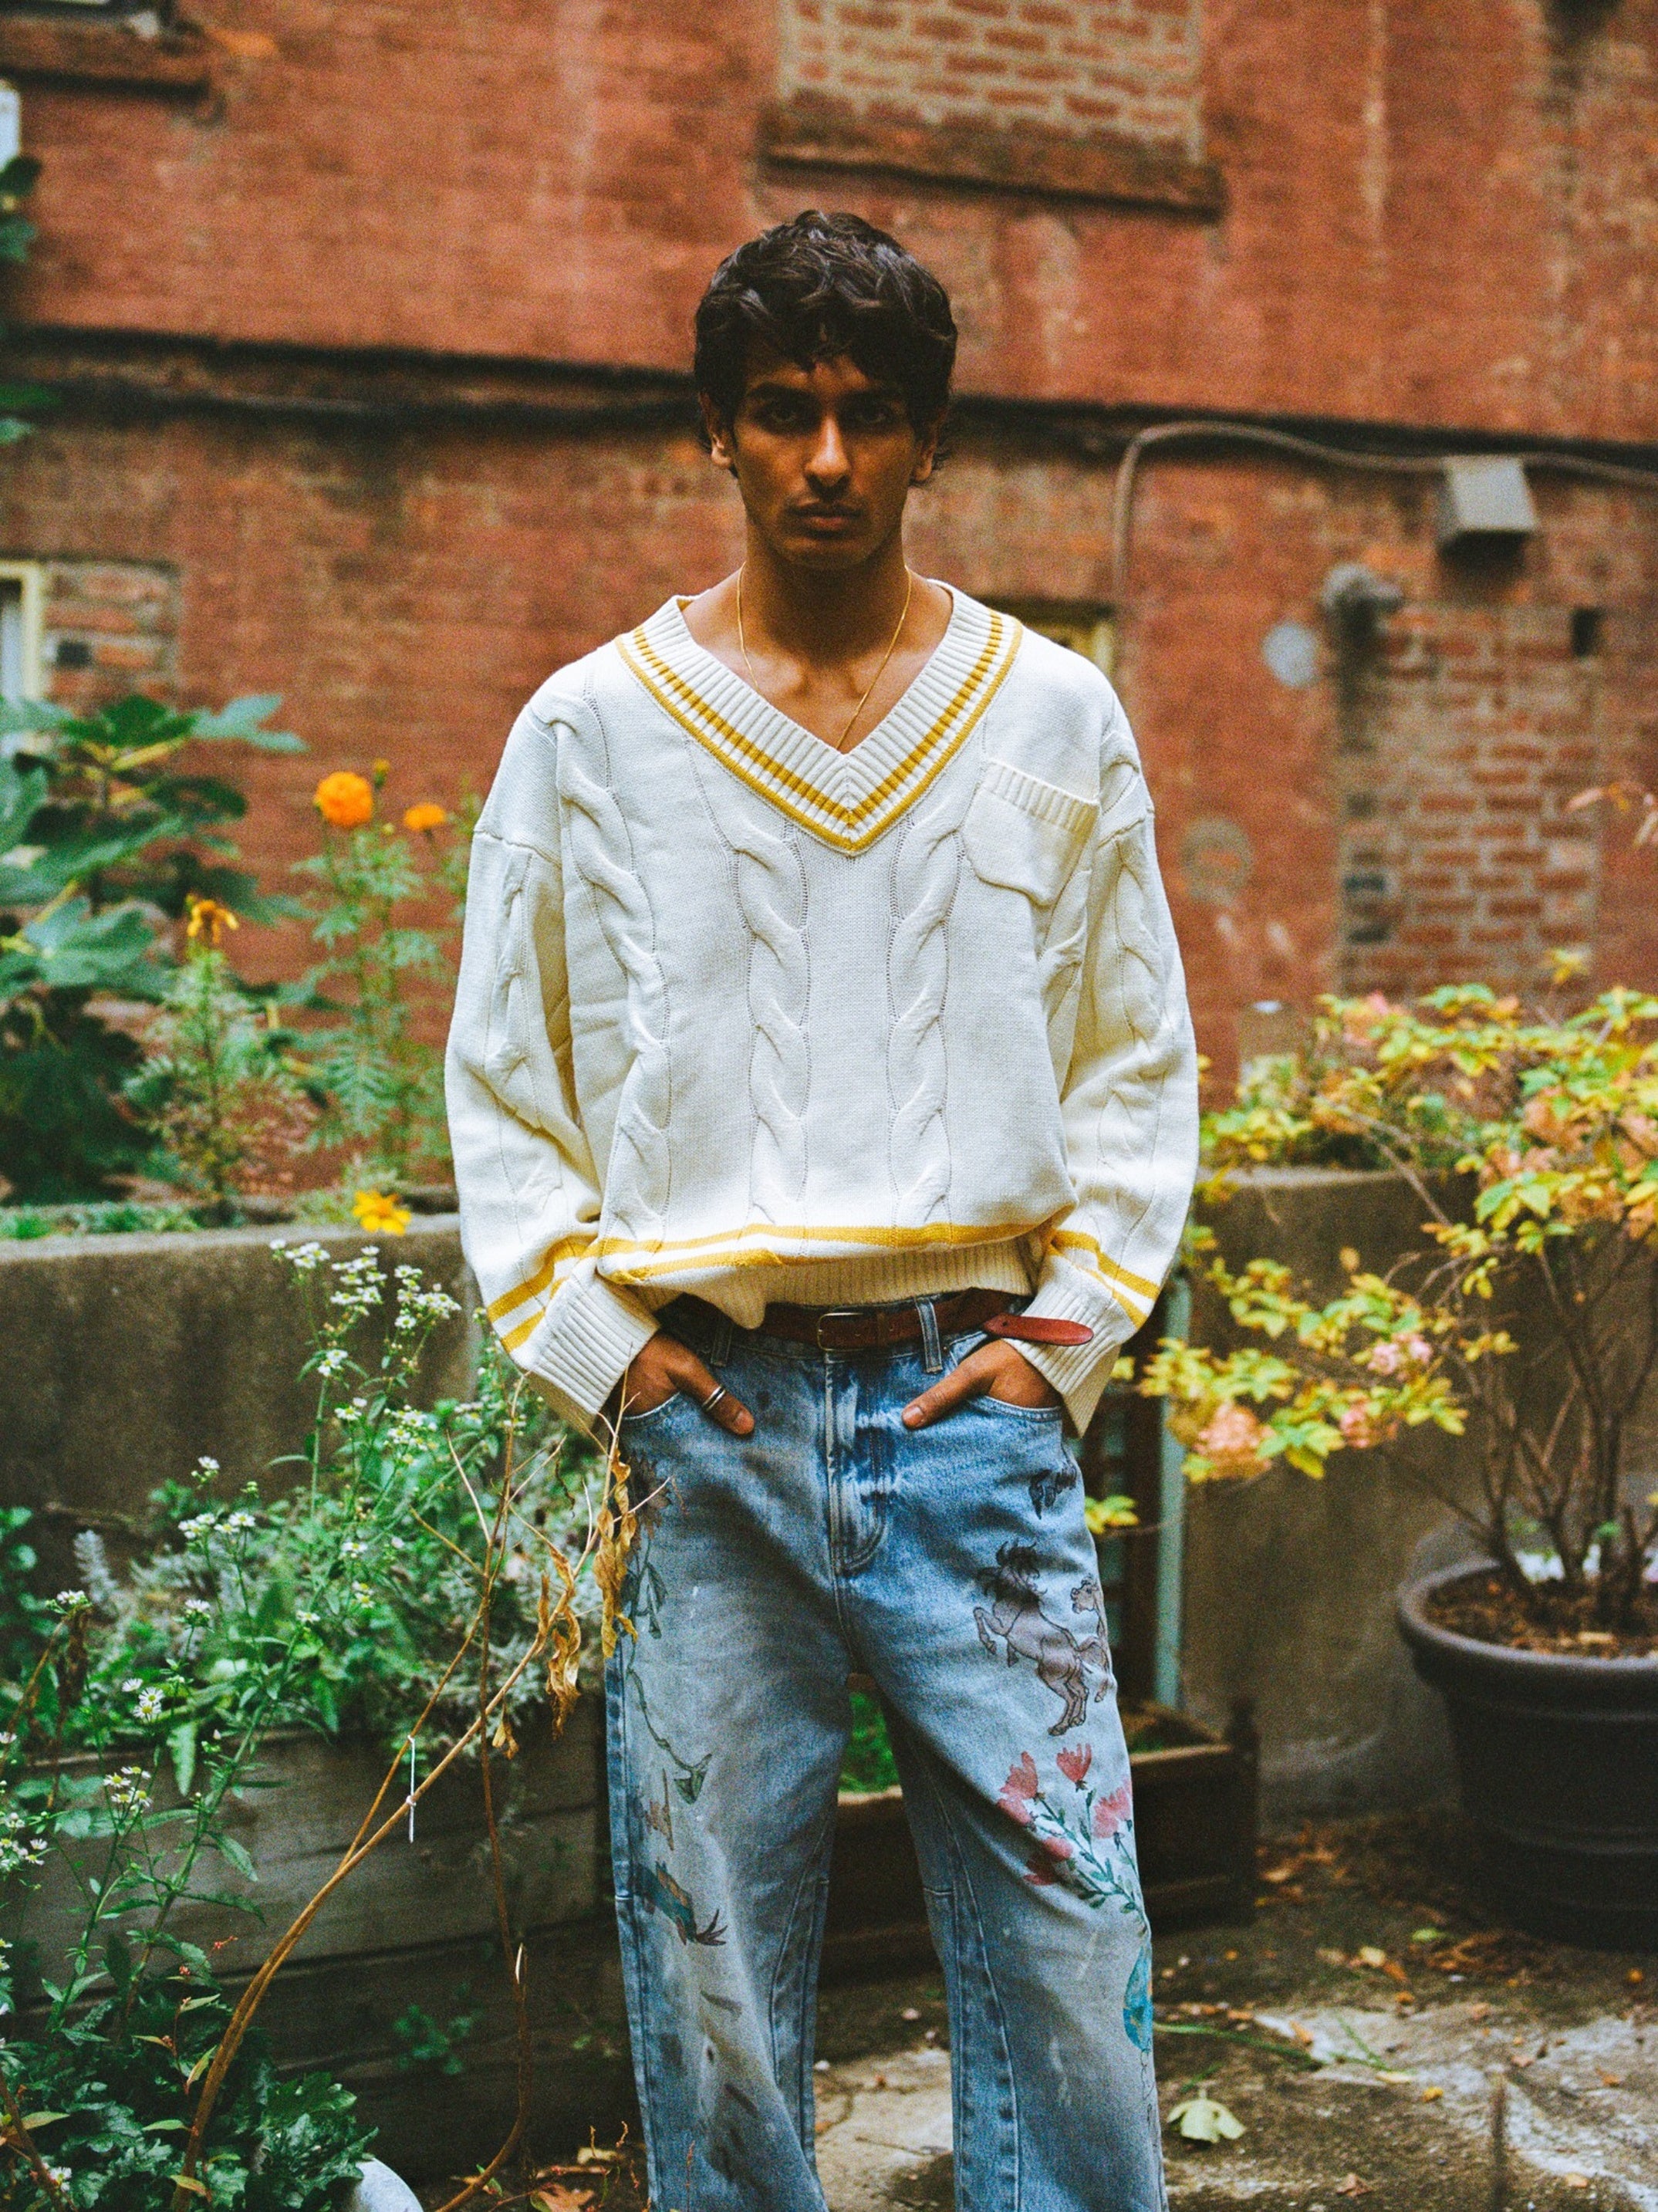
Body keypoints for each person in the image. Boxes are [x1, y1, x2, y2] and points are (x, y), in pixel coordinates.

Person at [447, 209, 1198, 2212]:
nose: (830, 459)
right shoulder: (589, 736)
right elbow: (500, 1090)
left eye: (872, 413)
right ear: (719, 428)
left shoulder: (1052, 722)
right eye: (785, 412)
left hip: (981, 1423)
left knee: (1070, 1951)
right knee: (710, 1980)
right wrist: (617, 1366)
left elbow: (1139, 1066)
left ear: (933, 436)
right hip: (718, 1440)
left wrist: (1068, 1340)